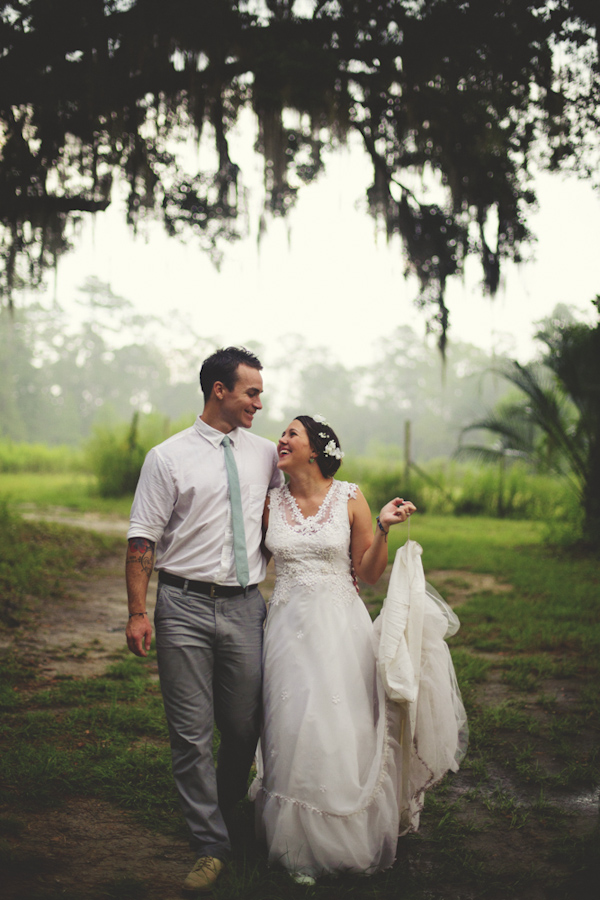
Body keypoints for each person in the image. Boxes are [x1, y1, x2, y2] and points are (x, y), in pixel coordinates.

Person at [249, 415, 467, 881]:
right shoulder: (269, 503)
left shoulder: (350, 497)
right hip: (286, 630)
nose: (280, 440)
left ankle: (343, 831)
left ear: (316, 450)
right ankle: (293, 843)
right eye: (281, 434)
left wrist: (384, 528)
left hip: (339, 629)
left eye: (291, 434)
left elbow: (367, 574)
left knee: (337, 723)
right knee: (288, 724)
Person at [125, 346, 283, 894]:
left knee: (243, 727)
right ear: (220, 389)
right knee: (190, 734)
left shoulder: (267, 455)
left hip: (246, 604)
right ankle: (211, 842)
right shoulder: (167, 458)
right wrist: (138, 612)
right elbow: (143, 538)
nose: (260, 403)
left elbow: (302, 508)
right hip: (183, 607)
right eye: (251, 392)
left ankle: (224, 806)